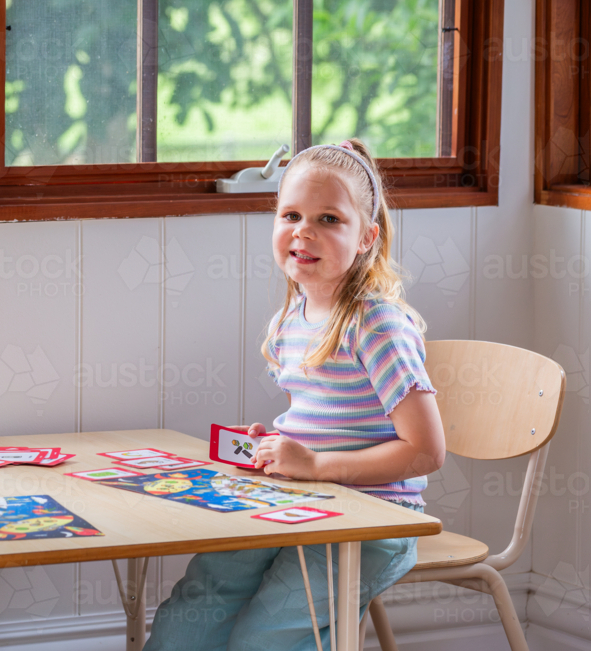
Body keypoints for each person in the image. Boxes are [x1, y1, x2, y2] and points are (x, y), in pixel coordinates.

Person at [143, 140, 446, 651]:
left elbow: (425, 451)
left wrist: (316, 464)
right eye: (291, 214)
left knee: (264, 638)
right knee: (193, 611)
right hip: (298, 499)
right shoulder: (291, 319)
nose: (304, 231)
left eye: (329, 219)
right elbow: (326, 414)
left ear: (367, 237)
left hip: (373, 517)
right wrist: (279, 443)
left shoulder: (377, 327)